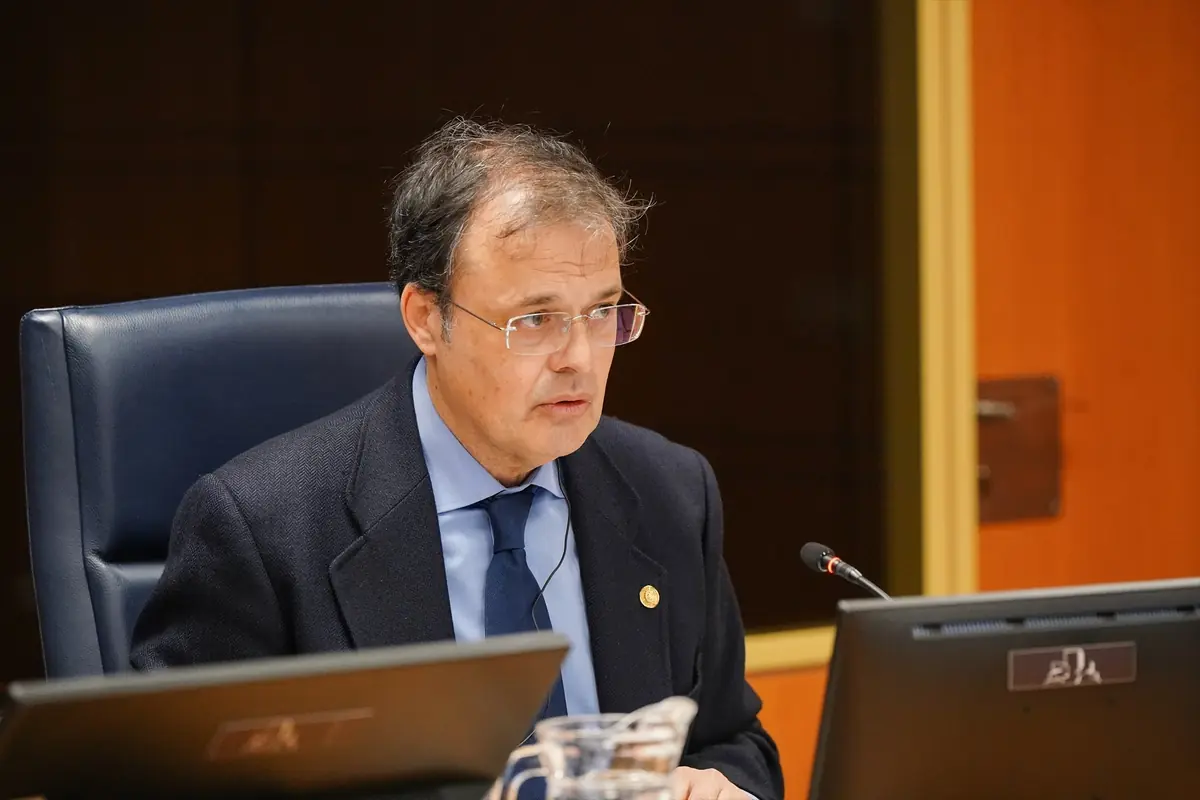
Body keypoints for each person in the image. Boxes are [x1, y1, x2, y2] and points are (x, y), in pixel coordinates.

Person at [129, 118, 783, 800]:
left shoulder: (670, 492)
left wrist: (716, 787)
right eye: (534, 319)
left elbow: (735, 742)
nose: (580, 358)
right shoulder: (264, 529)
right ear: (424, 318)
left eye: (602, 312)